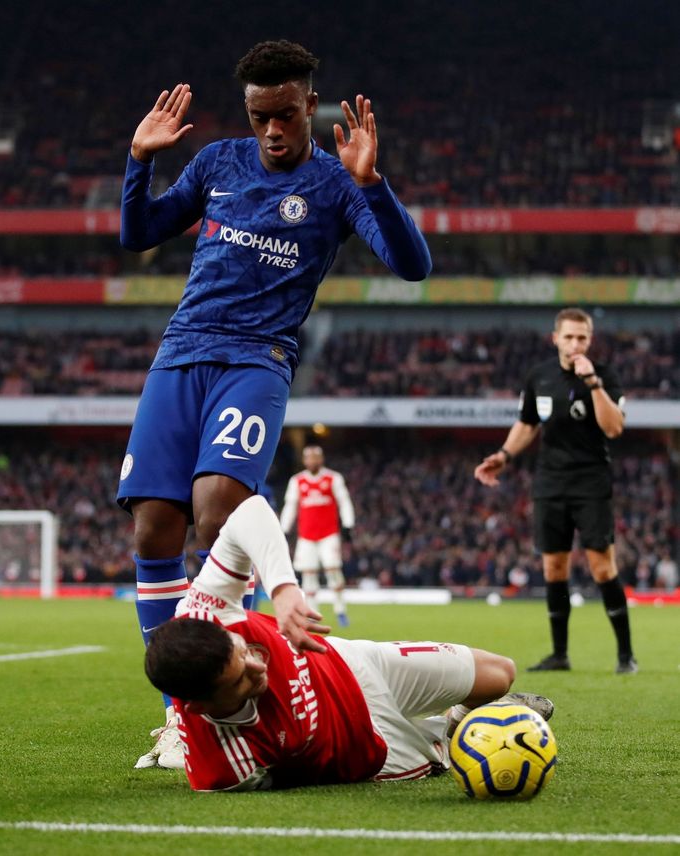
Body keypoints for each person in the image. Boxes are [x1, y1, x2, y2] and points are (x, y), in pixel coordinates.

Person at [117, 39, 432, 769]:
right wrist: (140, 163)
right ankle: (180, 715)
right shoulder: (216, 163)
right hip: (183, 350)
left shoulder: (334, 181)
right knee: (154, 531)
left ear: (309, 107)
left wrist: (375, 185)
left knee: (219, 513)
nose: (273, 131)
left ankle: (261, 692)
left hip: (258, 359)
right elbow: (137, 235)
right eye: (260, 116)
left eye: (286, 115)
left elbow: (413, 267)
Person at [143, 502, 555, 791]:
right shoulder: (224, 769)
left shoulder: (204, 610)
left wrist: (284, 589)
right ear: (198, 708)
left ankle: (458, 716)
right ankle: (447, 735)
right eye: (240, 679)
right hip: (370, 745)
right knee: (458, 754)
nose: (258, 667)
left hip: (354, 663)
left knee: (501, 673)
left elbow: (248, 513)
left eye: (244, 652)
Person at [474, 307, 637, 674]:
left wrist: (593, 382)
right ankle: (559, 654)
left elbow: (613, 428)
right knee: (553, 567)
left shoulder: (605, 377)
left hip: (591, 481)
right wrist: (503, 454)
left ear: (590, 340)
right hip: (550, 481)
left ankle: (626, 655)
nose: (576, 343)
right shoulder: (540, 377)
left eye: (582, 337)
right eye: (569, 337)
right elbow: (527, 424)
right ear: (555, 338)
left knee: (601, 566)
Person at [280, 445, 354, 625]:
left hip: (328, 534)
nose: (312, 461)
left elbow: (344, 502)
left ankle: (340, 610)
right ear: (304, 461)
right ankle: (312, 614)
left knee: (333, 569)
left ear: (321, 459)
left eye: (316, 457)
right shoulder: (297, 481)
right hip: (306, 535)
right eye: (309, 458)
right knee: (308, 574)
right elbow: (290, 505)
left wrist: (348, 525)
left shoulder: (333, 478)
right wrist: (283, 528)